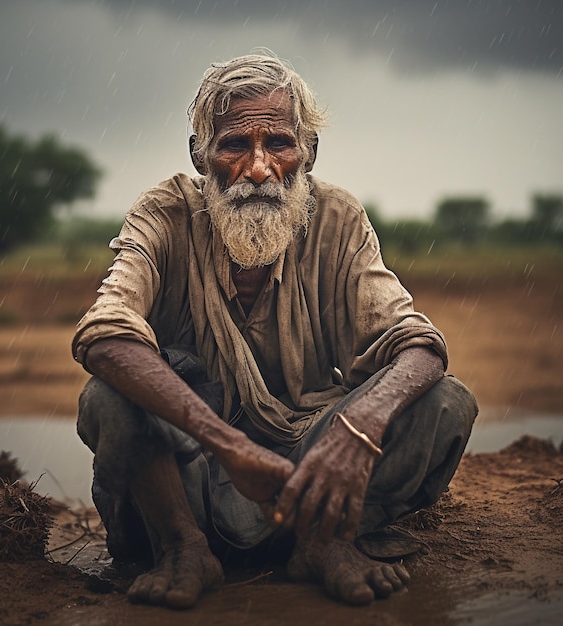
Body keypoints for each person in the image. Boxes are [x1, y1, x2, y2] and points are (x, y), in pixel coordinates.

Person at [73, 53, 478, 610]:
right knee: (107, 397)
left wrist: (357, 427)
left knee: (445, 402)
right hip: (189, 480)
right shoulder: (165, 214)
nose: (259, 168)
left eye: (279, 145)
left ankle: (324, 539)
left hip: (313, 466)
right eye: (235, 146)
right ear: (201, 155)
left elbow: (418, 346)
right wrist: (231, 446)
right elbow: (103, 334)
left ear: (307, 154)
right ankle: (182, 548)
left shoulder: (336, 217)